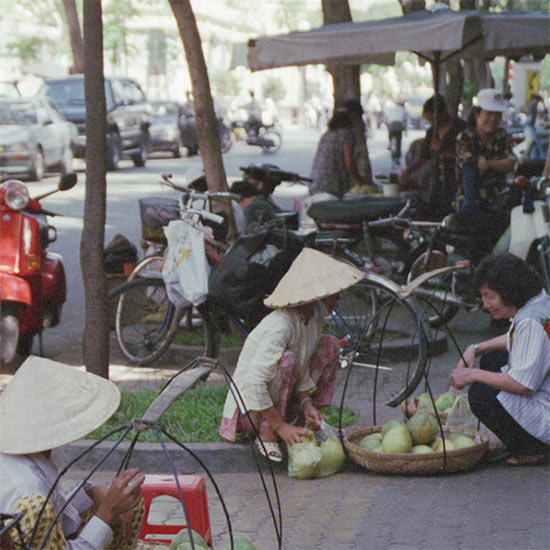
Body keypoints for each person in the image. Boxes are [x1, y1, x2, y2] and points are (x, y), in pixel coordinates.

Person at [219, 247, 365, 462]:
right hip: (249, 412)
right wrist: (280, 427)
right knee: (287, 361)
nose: (339, 297)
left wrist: (307, 403)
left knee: (330, 344)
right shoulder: (280, 325)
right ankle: (268, 430)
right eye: (334, 292)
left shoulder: (314, 319)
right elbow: (254, 383)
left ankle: (309, 421)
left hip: (279, 402)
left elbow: (303, 369)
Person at [0, 357, 145, 549]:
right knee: (113, 507)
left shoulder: (30, 456)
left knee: (127, 503)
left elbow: (57, 511)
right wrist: (107, 511)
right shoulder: (28, 490)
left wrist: (90, 493)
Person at [450, 253, 550, 467]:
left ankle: (534, 448)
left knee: (480, 394)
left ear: (509, 292)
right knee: (493, 359)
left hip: (545, 410)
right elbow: (517, 339)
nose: (486, 304)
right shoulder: (537, 303)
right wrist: (475, 348)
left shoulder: (531, 321)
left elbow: (522, 385)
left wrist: (471, 374)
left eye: (490, 296)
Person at [452, 89, 516, 258]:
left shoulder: (501, 135)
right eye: (489, 113)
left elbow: (511, 163)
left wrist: (489, 164)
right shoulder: (466, 137)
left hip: (499, 201)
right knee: (478, 252)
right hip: (471, 203)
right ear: (478, 114)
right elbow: (472, 170)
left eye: (497, 114)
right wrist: (497, 165)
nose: (493, 119)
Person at [399, 95, 466, 219]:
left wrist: (443, 151)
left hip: (456, 183)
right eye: (428, 119)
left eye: (433, 119)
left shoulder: (460, 129)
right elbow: (423, 156)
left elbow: (466, 157)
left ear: (443, 113)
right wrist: (408, 171)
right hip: (435, 185)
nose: (431, 122)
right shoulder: (431, 132)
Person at [309, 109, 369, 200]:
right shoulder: (346, 134)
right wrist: (361, 180)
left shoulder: (327, 134)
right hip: (331, 186)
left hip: (316, 183)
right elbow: (349, 163)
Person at [383, 96, 407, 164]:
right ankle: (397, 156)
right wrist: (405, 130)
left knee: (391, 136)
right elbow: (404, 120)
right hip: (399, 126)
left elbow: (386, 119)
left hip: (392, 126)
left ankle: (390, 143)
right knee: (398, 143)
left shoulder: (390, 109)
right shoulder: (402, 109)